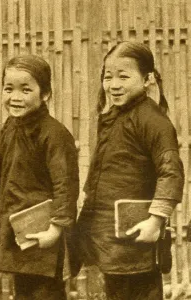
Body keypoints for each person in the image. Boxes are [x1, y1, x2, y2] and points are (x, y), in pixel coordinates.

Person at [76, 41, 184, 300]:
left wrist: (156, 221)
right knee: (116, 290)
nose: (113, 85)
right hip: (111, 235)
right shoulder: (112, 117)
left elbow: (171, 172)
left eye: (123, 76)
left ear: (147, 79)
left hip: (139, 234)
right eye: (108, 76)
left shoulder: (153, 120)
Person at [0, 54, 80, 300]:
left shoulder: (54, 135)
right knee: (23, 292)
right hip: (19, 226)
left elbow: (66, 185)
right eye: (9, 89)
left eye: (25, 89)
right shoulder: (10, 127)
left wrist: (55, 229)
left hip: (45, 233)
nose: (15, 97)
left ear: (45, 94)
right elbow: (4, 177)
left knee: (45, 293)